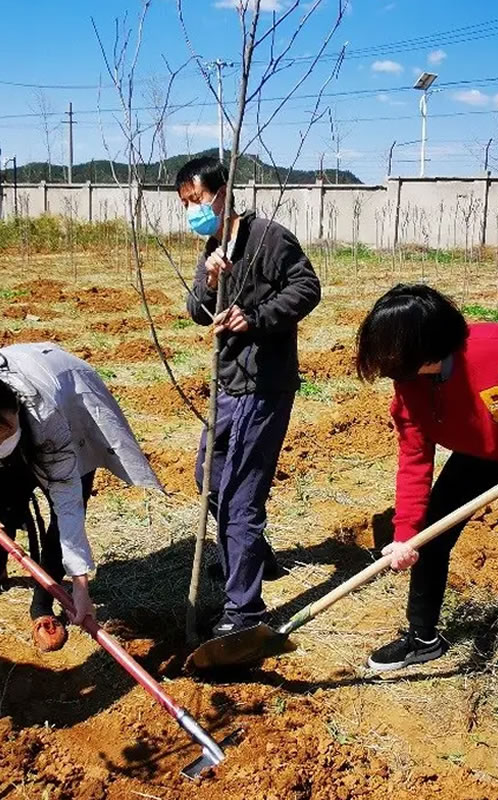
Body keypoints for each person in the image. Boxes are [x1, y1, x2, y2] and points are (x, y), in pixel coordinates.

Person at [355, 284, 498, 703]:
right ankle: (423, 639)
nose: (390, 370)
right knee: (429, 539)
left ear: (424, 348)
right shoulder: (409, 386)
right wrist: (405, 533)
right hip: (479, 454)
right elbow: (414, 459)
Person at [0, 343, 162, 652]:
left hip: (70, 400)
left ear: (16, 408)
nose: (2, 444)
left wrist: (80, 582)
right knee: (1, 491)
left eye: (8, 432)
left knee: (62, 512)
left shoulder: (46, 416)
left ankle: (43, 604)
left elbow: (67, 503)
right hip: (16, 405)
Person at [176, 156, 321, 637]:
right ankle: (251, 554)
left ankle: (244, 611)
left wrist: (255, 316)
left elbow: (307, 287)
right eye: (186, 204)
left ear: (222, 191)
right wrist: (212, 282)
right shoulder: (212, 247)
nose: (193, 210)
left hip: (264, 383)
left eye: (197, 199)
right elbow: (197, 310)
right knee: (209, 474)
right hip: (227, 383)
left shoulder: (269, 238)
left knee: (240, 494)